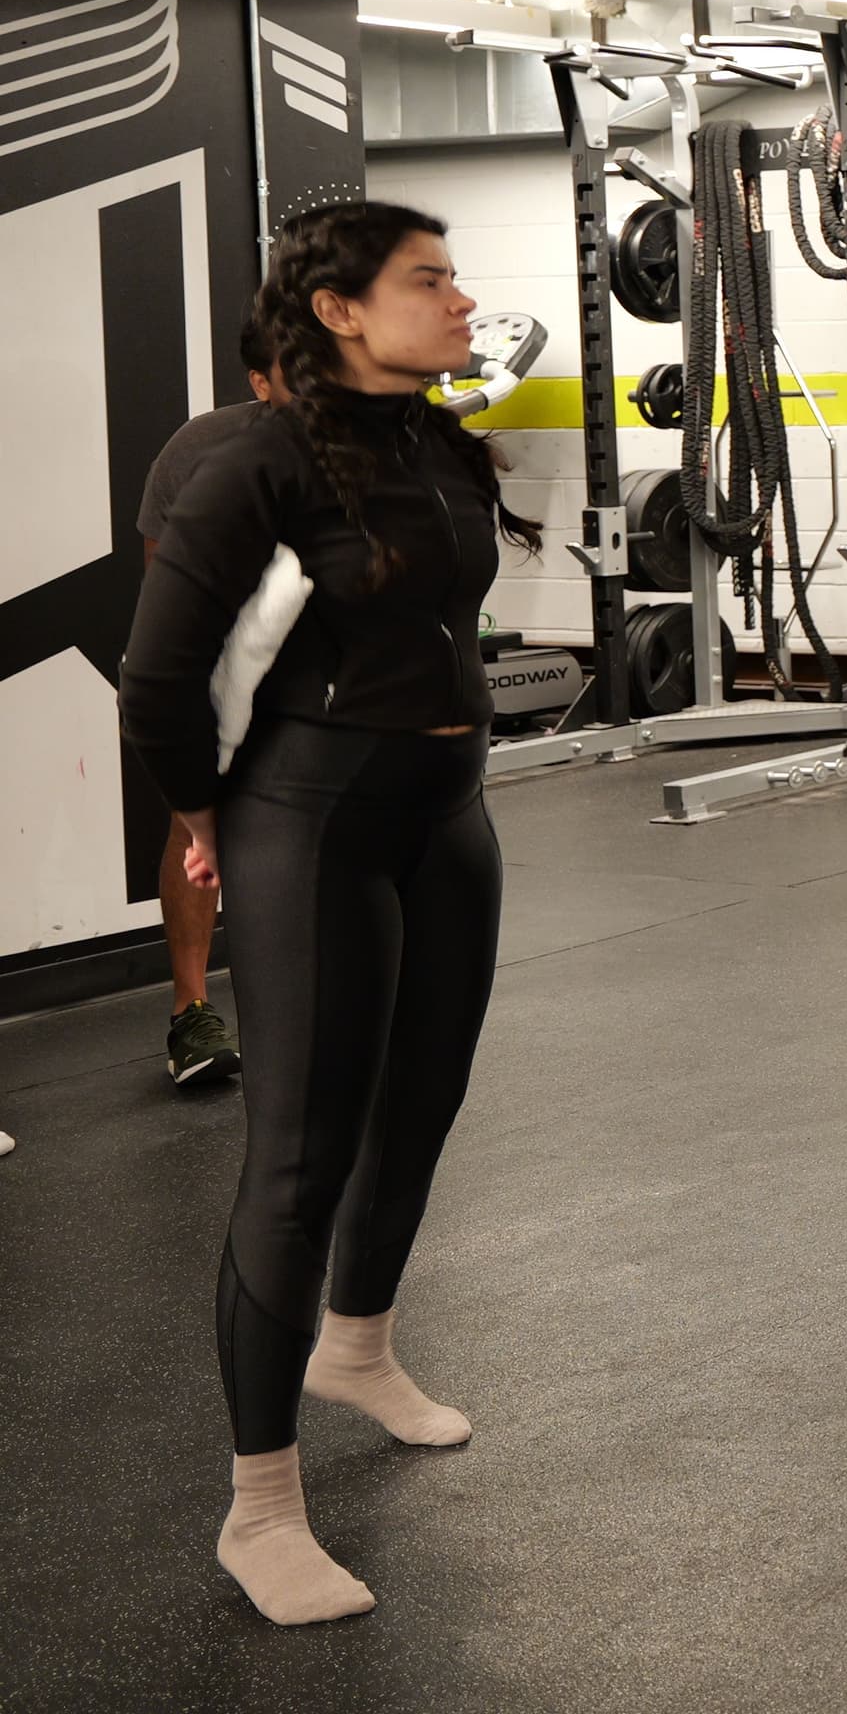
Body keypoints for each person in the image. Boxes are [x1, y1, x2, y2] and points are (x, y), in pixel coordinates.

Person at [117, 201, 544, 1626]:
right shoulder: (255, 460)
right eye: (431, 281)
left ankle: (357, 1347)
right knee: (298, 1162)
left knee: (421, 1102)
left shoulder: (433, 438)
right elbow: (163, 679)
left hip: (447, 815)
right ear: (341, 311)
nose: (462, 301)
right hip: (311, 823)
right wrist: (203, 817)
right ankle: (260, 1506)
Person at [128, 295, 284, 1087]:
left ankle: (324, 1001)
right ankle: (191, 1014)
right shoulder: (200, 451)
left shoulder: (377, 444)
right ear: (262, 382)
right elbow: (167, 592)